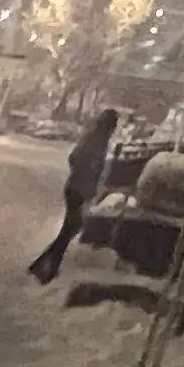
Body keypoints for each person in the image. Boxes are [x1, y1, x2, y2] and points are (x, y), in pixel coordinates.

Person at [24, 107, 121, 285]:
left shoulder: (94, 138)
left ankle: (42, 266)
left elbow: (75, 158)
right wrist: (85, 175)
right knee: (70, 229)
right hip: (78, 190)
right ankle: (47, 269)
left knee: (70, 229)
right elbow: (76, 159)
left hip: (77, 188)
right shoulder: (95, 140)